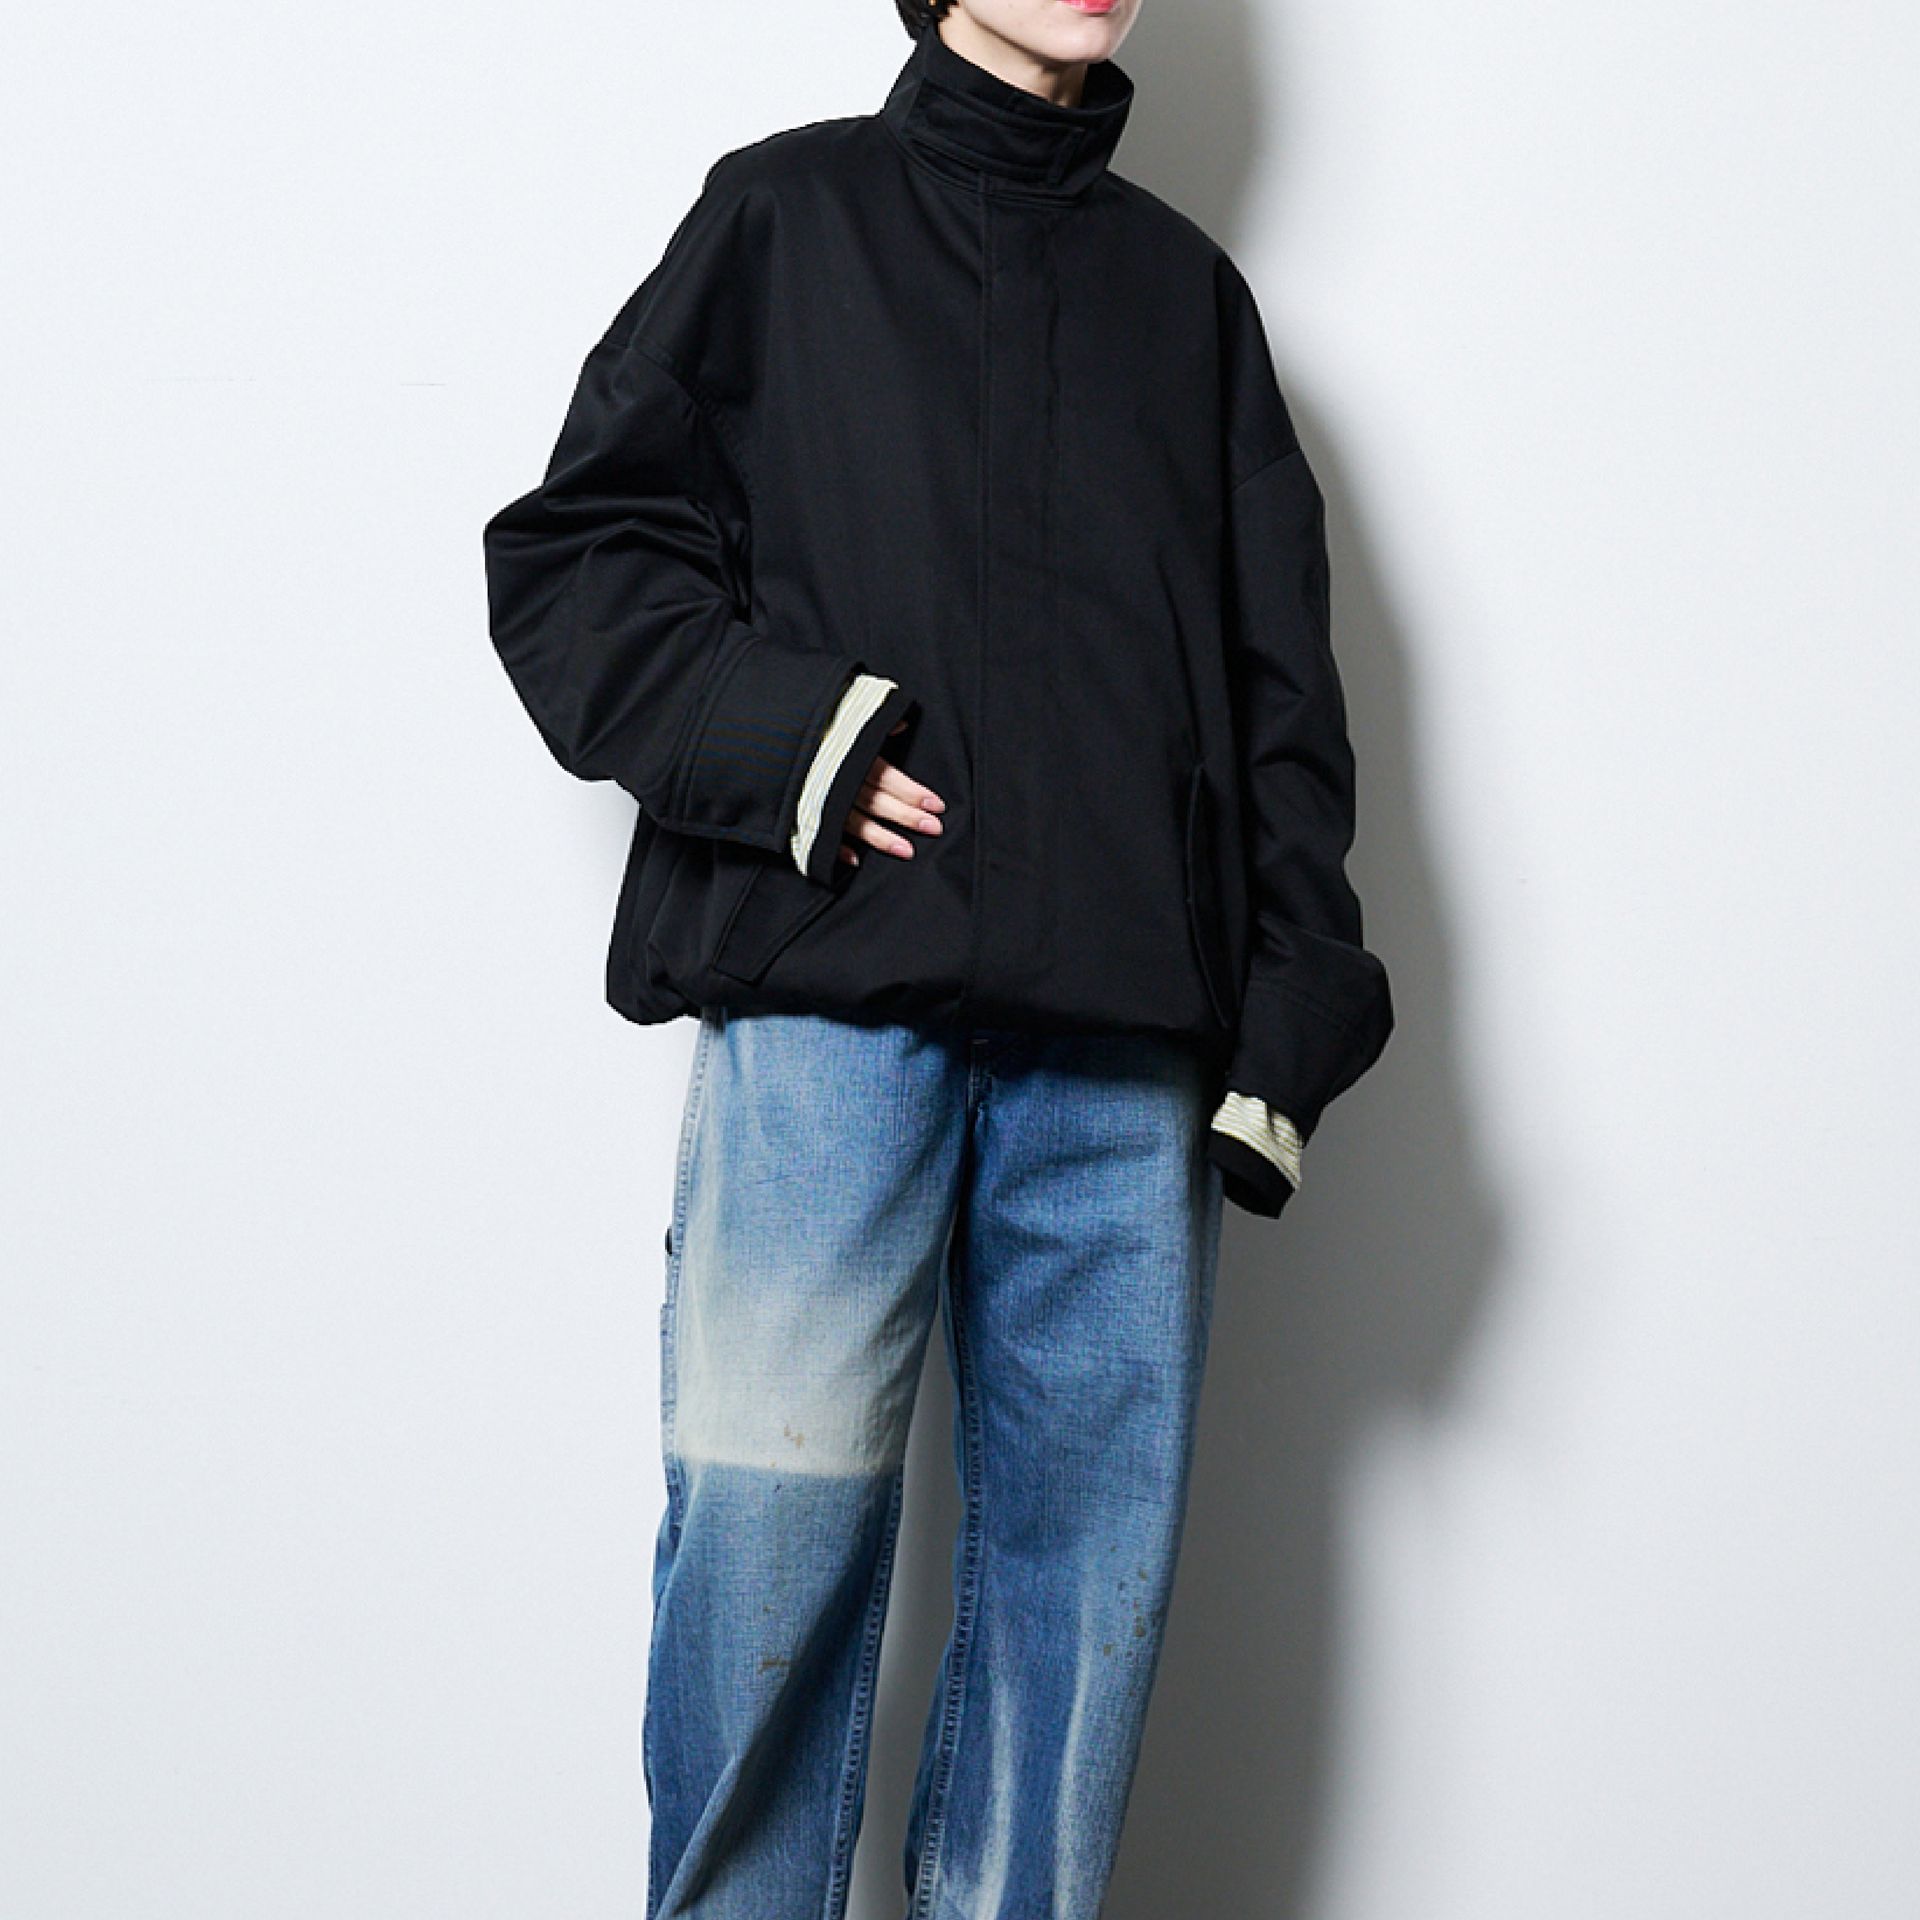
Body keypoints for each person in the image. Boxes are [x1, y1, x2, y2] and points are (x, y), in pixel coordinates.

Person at [481, 2, 1395, 1914]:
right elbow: (576, 556)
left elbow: (1282, 707)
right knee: (767, 1561)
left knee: (1081, 1615)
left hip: (1124, 1071)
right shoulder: (783, 220)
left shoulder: (1189, 305)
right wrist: (796, 743)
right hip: (831, 1023)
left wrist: (1286, 1025)